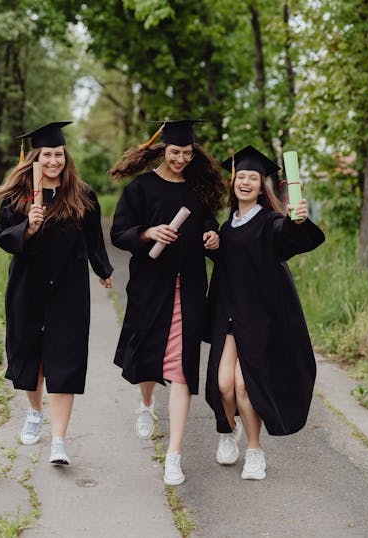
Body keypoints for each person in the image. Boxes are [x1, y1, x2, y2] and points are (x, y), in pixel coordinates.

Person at [0, 121, 113, 466]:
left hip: (68, 288)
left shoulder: (82, 194)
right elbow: (1, 236)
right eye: (47, 154)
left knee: (65, 358)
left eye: (59, 154)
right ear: (35, 158)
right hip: (27, 286)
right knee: (31, 354)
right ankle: (34, 412)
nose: (54, 160)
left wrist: (103, 270)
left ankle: (59, 440)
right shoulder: (19, 195)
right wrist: (28, 226)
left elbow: (93, 239)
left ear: (66, 156)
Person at [110, 119, 224, 485]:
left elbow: (209, 222)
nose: (181, 159)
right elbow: (119, 233)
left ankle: (174, 454)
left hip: (189, 288)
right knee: (148, 354)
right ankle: (146, 404)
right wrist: (147, 232)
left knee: (181, 366)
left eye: (187, 153)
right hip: (150, 287)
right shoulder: (141, 188)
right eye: (175, 152)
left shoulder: (196, 188)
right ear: (163, 150)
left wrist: (212, 235)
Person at [205, 145, 325, 480]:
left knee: (244, 386)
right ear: (233, 182)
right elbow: (229, 262)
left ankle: (255, 452)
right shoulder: (228, 227)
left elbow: (290, 237)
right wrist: (213, 244)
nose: (245, 182)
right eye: (240, 176)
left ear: (261, 187)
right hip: (230, 317)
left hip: (260, 320)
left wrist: (297, 221)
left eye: (253, 178)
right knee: (222, 385)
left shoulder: (270, 222)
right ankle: (229, 430)